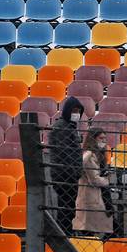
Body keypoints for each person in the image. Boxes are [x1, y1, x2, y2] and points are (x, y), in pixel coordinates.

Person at [48, 97, 85, 234]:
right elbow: (65, 153)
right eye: (74, 111)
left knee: (68, 208)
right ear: (68, 111)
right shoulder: (61, 127)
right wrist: (75, 171)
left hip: (69, 175)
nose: (76, 114)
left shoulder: (70, 126)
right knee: (65, 208)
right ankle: (63, 235)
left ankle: (65, 234)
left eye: (78, 111)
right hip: (64, 175)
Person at [74, 129, 113, 237]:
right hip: (90, 194)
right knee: (89, 229)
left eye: (105, 138)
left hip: (96, 194)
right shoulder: (90, 156)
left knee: (93, 228)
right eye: (101, 138)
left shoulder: (97, 154)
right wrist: (107, 180)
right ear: (93, 139)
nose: (104, 141)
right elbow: (94, 179)